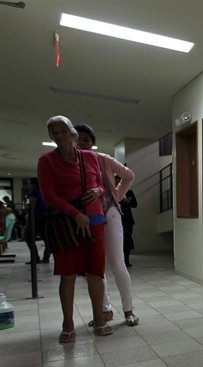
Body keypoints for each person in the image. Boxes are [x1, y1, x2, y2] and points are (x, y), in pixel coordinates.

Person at [37, 115, 112, 342]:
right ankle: (67, 323)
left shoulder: (90, 157)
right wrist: (75, 213)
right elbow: (48, 195)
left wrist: (99, 192)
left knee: (95, 273)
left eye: (62, 131)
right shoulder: (46, 161)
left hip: (95, 220)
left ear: (72, 133)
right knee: (68, 275)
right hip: (67, 222)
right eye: (53, 133)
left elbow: (99, 183)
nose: (58, 136)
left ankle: (99, 318)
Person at [75, 124, 139, 327]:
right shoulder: (71, 163)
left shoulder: (102, 159)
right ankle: (105, 310)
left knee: (117, 262)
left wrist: (116, 197)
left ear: (93, 143)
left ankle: (129, 311)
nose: (82, 143)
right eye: (78, 139)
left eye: (86, 140)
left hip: (109, 214)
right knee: (95, 267)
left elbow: (129, 175)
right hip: (85, 218)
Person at [24, 178, 51, 264]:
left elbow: (31, 206)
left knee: (29, 237)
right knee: (46, 238)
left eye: (30, 183)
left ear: (34, 184)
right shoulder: (43, 192)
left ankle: (35, 257)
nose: (29, 185)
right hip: (46, 217)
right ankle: (46, 256)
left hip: (36, 218)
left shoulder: (34, 192)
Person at [120, 186, 137, 267]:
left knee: (127, 240)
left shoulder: (129, 192)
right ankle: (120, 260)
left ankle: (126, 261)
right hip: (118, 219)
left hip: (128, 220)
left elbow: (135, 204)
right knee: (119, 241)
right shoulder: (114, 192)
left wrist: (126, 201)